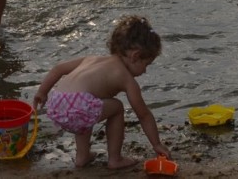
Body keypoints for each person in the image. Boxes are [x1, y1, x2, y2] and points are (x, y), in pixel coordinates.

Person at [33, 15, 171, 170]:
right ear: (135, 56)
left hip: (56, 104)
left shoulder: (92, 59)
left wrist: (42, 92)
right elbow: (143, 115)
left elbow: (58, 68)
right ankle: (115, 159)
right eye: (146, 64)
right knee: (116, 107)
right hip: (78, 107)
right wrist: (157, 144)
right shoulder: (126, 78)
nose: (145, 71)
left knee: (89, 106)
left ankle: (82, 157)